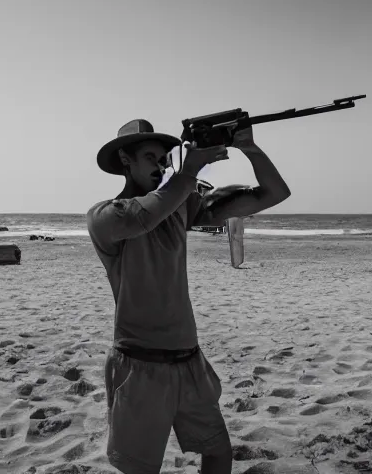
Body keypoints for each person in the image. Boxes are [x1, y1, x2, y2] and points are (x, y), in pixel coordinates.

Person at [87, 118, 291, 473]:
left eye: (166, 158)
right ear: (125, 160)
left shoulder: (180, 205)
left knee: (218, 454)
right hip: (140, 365)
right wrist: (191, 170)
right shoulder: (105, 216)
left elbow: (273, 194)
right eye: (151, 157)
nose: (162, 165)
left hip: (189, 361)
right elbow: (142, 218)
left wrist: (249, 148)